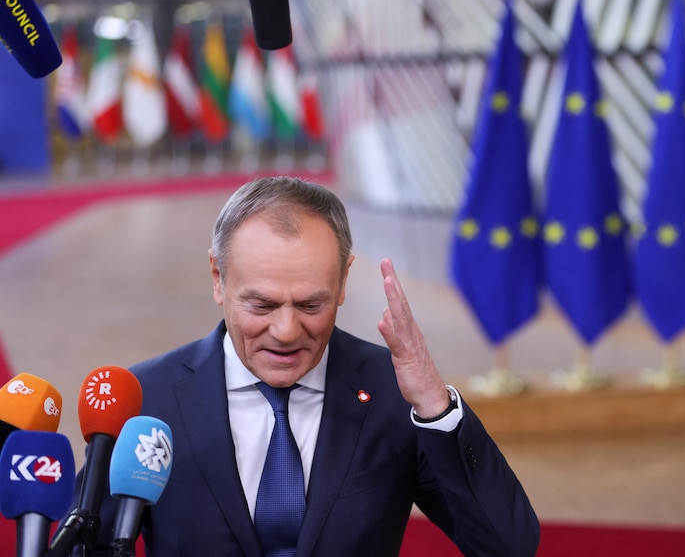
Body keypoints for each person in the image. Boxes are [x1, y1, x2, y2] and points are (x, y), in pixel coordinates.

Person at [74, 176, 539, 556]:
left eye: (311, 304)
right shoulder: (147, 397)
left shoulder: (394, 393)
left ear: (342, 283)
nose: (286, 330)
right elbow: (86, 544)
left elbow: (507, 546)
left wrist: (436, 406)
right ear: (218, 278)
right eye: (261, 304)